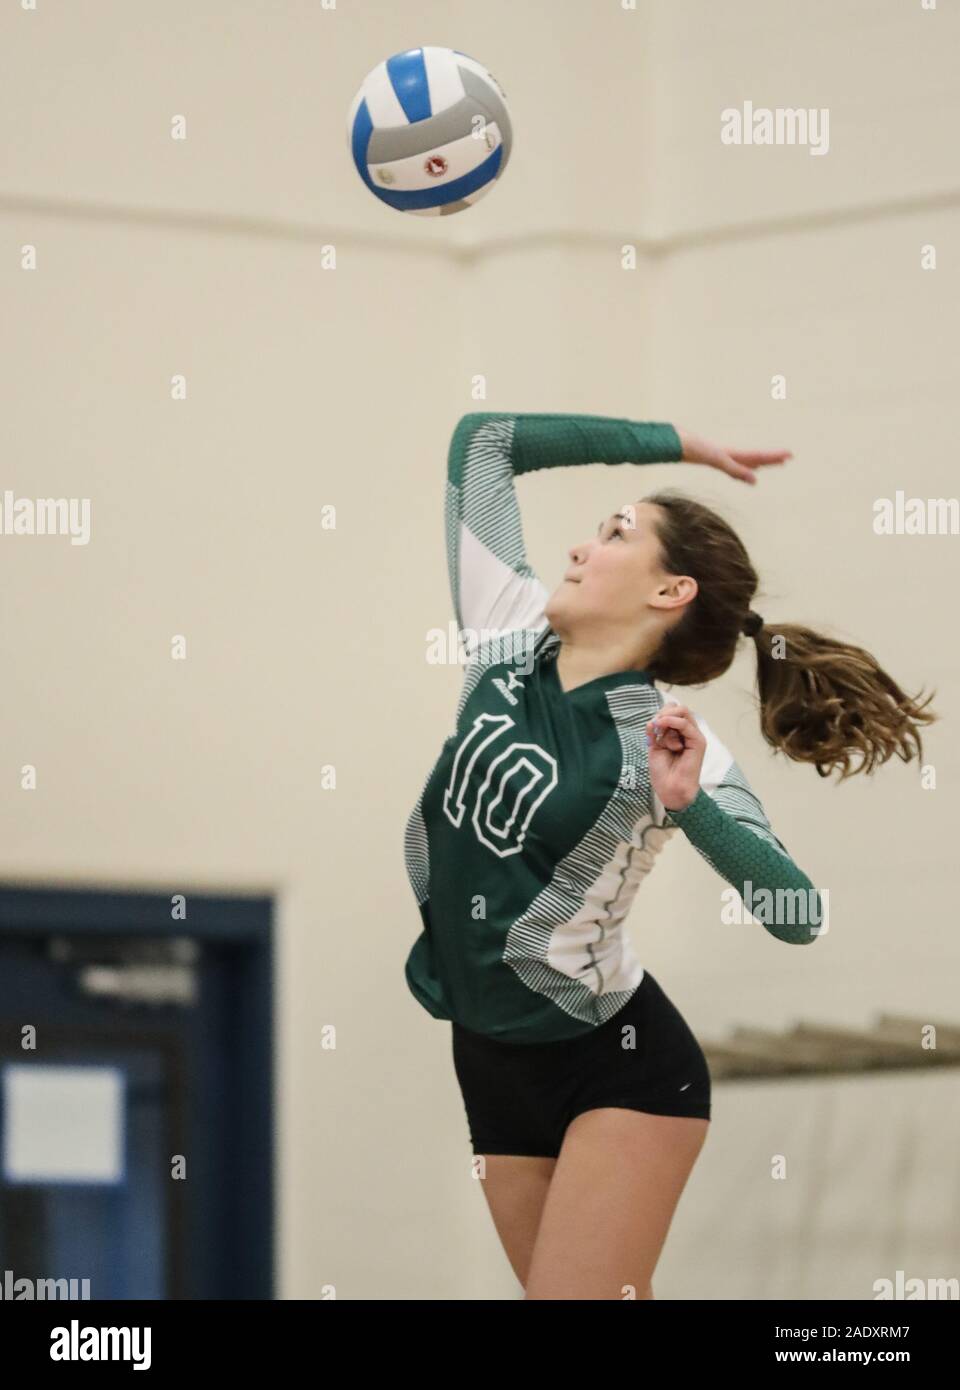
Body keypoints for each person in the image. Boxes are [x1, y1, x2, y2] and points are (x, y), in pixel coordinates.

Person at [403, 410, 936, 1300]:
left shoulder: (668, 741)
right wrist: (683, 443)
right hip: (488, 1053)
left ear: (669, 592)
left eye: (615, 533)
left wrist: (693, 811)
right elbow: (482, 441)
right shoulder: (507, 635)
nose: (579, 547)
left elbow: (799, 915)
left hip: (617, 1059)